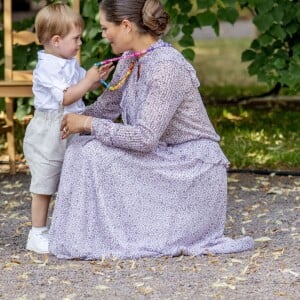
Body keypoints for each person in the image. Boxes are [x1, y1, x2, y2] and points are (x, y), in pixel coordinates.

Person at [49, 0, 254, 259]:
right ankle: (82, 237)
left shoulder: (168, 67)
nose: (103, 35)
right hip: (163, 158)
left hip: (190, 168)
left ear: (125, 26)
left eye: (104, 28)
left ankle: (109, 236)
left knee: (97, 154)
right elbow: (106, 108)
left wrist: (87, 124)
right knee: (80, 147)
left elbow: (144, 138)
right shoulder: (129, 59)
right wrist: (65, 120)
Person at [23, 3, 114, 254]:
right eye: (76, 38)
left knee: (72, 176)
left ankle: (65, 228)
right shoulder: (46, 68)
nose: (80, 43)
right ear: (55, 40)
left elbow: (82, 87)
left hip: (70, 128)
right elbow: (66, 97)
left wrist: (95, 80)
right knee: (45, 183)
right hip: (48, 132)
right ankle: (37, 233)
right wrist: (87, 81)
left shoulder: (68, 62)